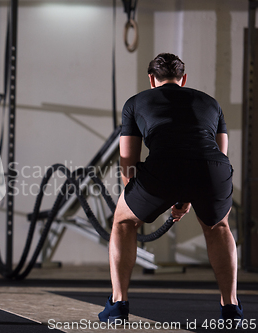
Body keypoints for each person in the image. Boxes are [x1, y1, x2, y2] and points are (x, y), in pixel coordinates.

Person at [98, 53, 242, 325]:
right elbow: (217, 155)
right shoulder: (211, 103)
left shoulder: (136, 102)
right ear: (183, 79)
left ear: (152, 79)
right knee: (218, 226)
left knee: (124, 221)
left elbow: (128, 162)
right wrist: (187, 196)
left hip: (164, 167)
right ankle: (231, 308)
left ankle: (118, 304)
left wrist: (137, 200)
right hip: (213, 170)